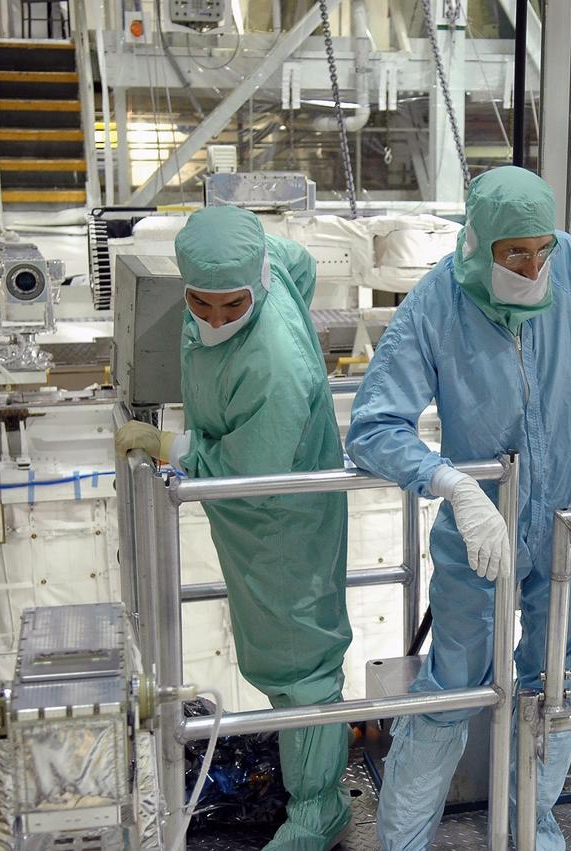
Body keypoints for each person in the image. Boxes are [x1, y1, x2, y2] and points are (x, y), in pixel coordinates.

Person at [346, 166, 571, 850]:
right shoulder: (438, 302)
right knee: (454, 683)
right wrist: (450, 483)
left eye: (542, 248)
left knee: (560, 679)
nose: (534, 265)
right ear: (479, 244)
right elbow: (373, 426)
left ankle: (530, 823)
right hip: (481, 530)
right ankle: (404, 837)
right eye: (516, 252)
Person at [114, 206, 353, 850]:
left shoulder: (274, 364)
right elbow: (295, 260)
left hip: (281, 520)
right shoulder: (259, 269)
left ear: (256, 284)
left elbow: (252, 471)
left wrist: (171, 445)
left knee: (299, 662)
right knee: (279, 657)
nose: (215, 319)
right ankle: (307, 778)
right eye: (200, 302)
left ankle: (318, 810)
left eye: (233, 305)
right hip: (253, 523)